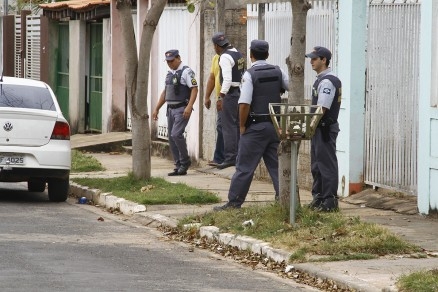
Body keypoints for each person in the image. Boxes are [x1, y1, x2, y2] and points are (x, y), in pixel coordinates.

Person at [213, 40, 289, 211]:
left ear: (251, 55)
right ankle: (284, 200)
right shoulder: (278, 71)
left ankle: (234, 202)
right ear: (267, 54)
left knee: (244, 167)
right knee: (277, 166)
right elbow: (289, 86)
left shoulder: (249, 75)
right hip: (274, 126)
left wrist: (241, 126)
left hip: (255, 127)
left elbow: (245, 104)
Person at [305, 46, 342, 212]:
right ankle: (318, 197)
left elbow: (322, 108)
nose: (311, 61)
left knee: (326, 164)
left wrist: (310, 125)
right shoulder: (321, 79)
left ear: (324, 60)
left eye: (314, 58)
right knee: (317, 165)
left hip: (324, 128)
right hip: (319, 128)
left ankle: (329, 200)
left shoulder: (327, 81)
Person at [152, 49, 198, 176]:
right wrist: (156, 108)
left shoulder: (186, 72)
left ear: (178, 58)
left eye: (172, 61)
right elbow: (165, 93)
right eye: (167, 61)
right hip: (170, 109)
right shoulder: (169, 73)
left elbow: (194, 89)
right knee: (171, 138)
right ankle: (179, 166)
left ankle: (185, 161)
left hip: (181, 109)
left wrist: (189, 106)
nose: (170, 63)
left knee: (176, 134)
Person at [211, 32, 245, 169]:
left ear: (216, 46)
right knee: (236, 126)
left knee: (228, 127)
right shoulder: (237, 53)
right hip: (239, 93)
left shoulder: (224, 57)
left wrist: (221, 97)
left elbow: (227, 80)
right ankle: (237, 156)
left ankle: (230, 157)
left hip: (230, 94)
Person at [204, 54, 224, 167]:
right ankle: (220, 157)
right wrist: (207, 96)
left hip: (228, 98)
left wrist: (222, 97)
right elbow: (212, 77)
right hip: (220, 99)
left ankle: (222, 157)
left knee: (224, 127)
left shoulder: (230, 57)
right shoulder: (216, 58)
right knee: (220, 127)